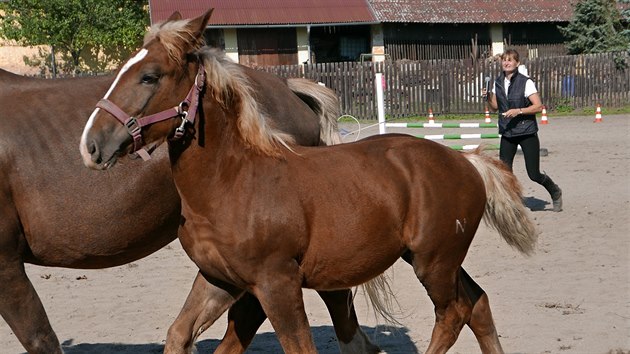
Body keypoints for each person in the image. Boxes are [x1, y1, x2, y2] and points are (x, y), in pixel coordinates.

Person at [482, 49, 562, 212]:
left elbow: (538, 106)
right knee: (504, 172)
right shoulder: (498, 82)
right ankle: (511, 203)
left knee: (534, 174)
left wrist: (518, 111)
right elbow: (496, 106)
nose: (506, 62)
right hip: (507, 132)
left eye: (510, 60)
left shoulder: (526, 82)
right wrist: (488, 96)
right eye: (504, 60)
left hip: (526, 132)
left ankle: (555, 191)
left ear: (517, 63)